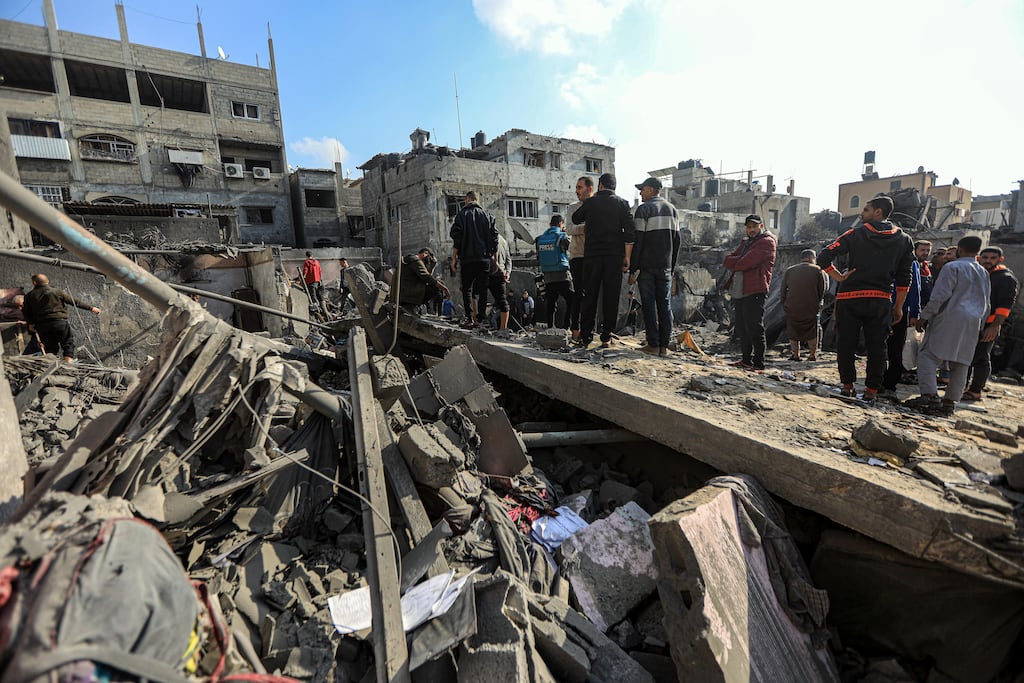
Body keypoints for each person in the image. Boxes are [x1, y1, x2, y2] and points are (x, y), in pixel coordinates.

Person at [817, 197, 914, 402]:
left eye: (866, 209)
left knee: (846, 344)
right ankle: (871, 392)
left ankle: (847, 387)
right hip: (880, 300)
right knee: (878, 348)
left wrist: (839, 277)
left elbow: (824, 256)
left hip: (850, 298)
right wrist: (898, 306)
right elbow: (905, 277)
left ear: (878, 212)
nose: (862, 213)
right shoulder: (904, 240)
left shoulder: (855, 234)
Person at [905, 236, 990, 416]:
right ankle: (950, 402)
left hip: (949, 317)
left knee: (927, 355)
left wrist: (924, 317)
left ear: (960, 248)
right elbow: (987, 303)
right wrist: (981, 324)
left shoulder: (953, 267)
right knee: (961, 361)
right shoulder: (983, 272)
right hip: (973, 321)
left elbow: (939, 296)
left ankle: (930, 396)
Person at [572, 173, 635, 348]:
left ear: (600, 185)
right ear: (614, 186)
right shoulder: (622, 204)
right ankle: (606, 337)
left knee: (589, 296)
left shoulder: (591, 202)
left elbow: (576, 218)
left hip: (592, 257)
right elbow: (630, 233)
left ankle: (586, 337)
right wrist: (627, 257)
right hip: (614, 258)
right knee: (611, 297)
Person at [628, 177, 679, 357]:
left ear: (650, 189)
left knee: (649, 305)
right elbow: (676, 242)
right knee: (664, 305)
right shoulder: (672, 210)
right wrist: (671, 268)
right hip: (665, 265)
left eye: (642, 189)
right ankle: (664, 346)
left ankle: (653, 344)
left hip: (647, 266)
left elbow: (638, 240)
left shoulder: (644, 209)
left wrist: (633, 269)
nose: (640, 192)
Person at [963, 247, 1019, 401]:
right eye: (985, 257)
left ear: (1000, 259)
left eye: (992, 258)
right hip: (972, 322)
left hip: (989, 325)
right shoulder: (980, 273)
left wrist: (994, 326)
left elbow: (1005, 307)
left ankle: (975, 390)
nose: (988, 260)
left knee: (980, 357)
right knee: (966, 356)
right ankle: (965, 386)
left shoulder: (1005, 278)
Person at [723, 214, 777, 370]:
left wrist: (738, 260)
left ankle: (759, 364)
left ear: (761, 226)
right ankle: (746, 360)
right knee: (741, 326)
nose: (751, 229)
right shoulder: (746, 242)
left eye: (754, 226)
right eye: (749, 227)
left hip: (755, 290)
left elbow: (745, 262)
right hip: (740, 290)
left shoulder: (767, 242)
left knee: (755, 327)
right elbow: (728, 260)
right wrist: (738, 260)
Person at [21, 273, 101, 363]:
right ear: (47, 281)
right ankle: (69, 363)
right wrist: (91, 308)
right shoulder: (57, 292)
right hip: (59, 323)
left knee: (49, 347)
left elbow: (26, 311)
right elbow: (74, 302)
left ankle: (51, 365)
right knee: (67, 343)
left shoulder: (29, 296)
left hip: (42, 325)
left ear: (34, 283)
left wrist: (30, 324)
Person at [450, 190, 499, 328]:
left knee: (467, 289)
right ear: (477, 200)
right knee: (483, 289)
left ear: (467, 199)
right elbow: (494, 239)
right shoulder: (488, 216)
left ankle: (469, 318)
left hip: (466, 260)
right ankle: (481, 318)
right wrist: (495, 260)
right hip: (484, 259)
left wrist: (454, 259)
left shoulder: (461, 215)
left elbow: (457, 238)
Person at [879, 255, 922, 399]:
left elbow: (915, 287)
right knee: (878, 347)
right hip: (879, 309)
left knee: (894, 349)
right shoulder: (880, 256)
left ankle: (889, 384)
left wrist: (915, 312)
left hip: (898, 310)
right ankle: (878, 381)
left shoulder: (909, 262)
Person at [780, 249, 826, 361]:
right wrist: (818, 302)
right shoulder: (818, 270)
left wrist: (785, 303)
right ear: (811, 258)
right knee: (812, 330)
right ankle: (812, 355)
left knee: (793, 330)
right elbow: (822, 290)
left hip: (792, 306)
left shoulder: (790, 270)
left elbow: (782, 290)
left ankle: (796, 355)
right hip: (810, 306)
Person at [566, 176, 594, 340]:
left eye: (580, 187)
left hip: (594, 255)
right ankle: (575, 329)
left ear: (590, 189)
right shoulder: (573, 208)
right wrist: (586, 228)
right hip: (577, 255)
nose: (577, 191)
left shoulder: (597, 206)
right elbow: (569, 229)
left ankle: (589, 330)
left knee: (592, 294)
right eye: (576, 187)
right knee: (578, 293)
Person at [536, 215, 573, 329]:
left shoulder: (540, 239)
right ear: (561, 224)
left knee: (551, 303)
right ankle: (567, 327)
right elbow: (572, 250)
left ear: (550, 224)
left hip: (548, 277)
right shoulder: (562, 236)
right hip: (562, 275)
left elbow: (538, 258)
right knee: (572, 300)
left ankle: (550, 327)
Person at [486, 233, 513, 329]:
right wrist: (508, 273)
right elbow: (509, 260)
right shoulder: (504, 241)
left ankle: (477, 323)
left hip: (490, 273)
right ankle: (503, 328)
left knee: (479, 298)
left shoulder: (488, 238)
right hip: (500, 274)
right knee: (502, 302)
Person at [914, 241, 933, 307]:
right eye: (922, 250)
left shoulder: (926, 266)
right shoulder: (910, 266)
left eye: (928, 250)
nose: (926, 253)